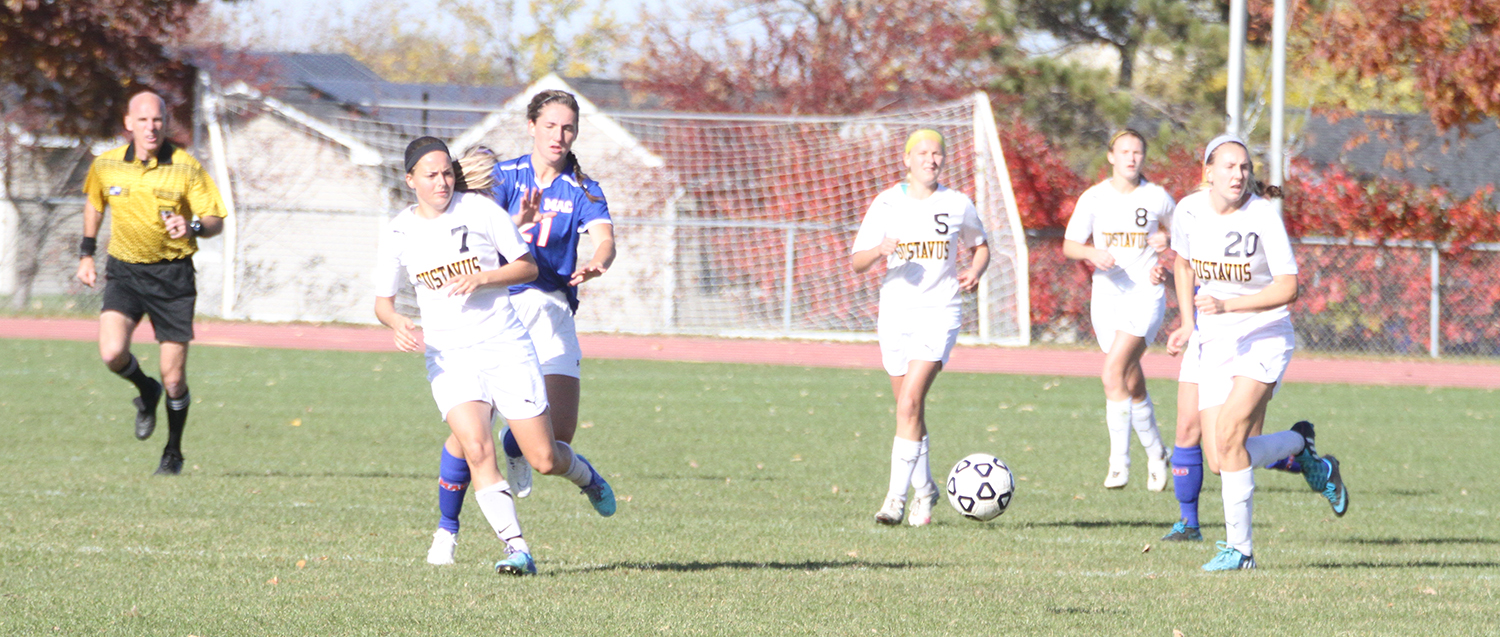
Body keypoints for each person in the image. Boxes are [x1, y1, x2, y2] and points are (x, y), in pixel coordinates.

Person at [375, 137, 614, 575]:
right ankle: (516, 549)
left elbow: (527, 267)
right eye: (431, 175)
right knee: (476, 446)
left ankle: (585, 476)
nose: (442, 181)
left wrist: (483, 278)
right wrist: (398, 324)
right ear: (411, 180)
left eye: (447, 172)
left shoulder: (481, 211)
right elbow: (382, 303)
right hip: (449, 356)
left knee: (544, 458)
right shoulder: (397, 231)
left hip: (504, 345)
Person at [422, 90, 618, 554]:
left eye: (567, 127)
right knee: (470, 428)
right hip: (498, 312)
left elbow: (606, 239)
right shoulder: (505, 178)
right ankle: (446, 530)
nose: (559, 135)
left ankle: (538, 454)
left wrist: (598, 262)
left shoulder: (584, 189)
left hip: (550, 312)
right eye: (550, 125)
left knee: (553, 445)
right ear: (531, 126)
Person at [1164, 135, 1348, 571]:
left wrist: (1228, 304)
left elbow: (1289, 287)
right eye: (1228, 166)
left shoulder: (1262, 215)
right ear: (1207, 171)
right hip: (1214, 337)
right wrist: (1188, 322)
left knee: (1230, 434)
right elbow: (1182, 263)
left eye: (1244, 167)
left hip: (1264, 333)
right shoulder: (1188, 209)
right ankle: (1302, 448)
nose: (1238, 174)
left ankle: (1240, 551)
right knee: (1220, 455)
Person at [73, 91, 227, 475]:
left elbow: (214, 221)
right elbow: (94, 202)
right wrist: (87, 253)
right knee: (111, 354)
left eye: (157, 119)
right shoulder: (107, 165)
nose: (151, 127)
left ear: (166, 122)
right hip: (125, 271)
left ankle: (173, 453)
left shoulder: (185, 166)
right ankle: (145, 389)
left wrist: (189, 225)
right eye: (142, 120)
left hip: (172, 276)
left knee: (174, 378)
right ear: (129, 123)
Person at [850, 129, 989, 527]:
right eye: (923, 153)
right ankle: (926, 491)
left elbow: (981, 245)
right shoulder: (887, 202)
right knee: (907, 411)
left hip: (940, 310)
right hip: (895, 314)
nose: (931, 159)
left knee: (910, 402)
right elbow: (857, 261)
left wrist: (975, 271)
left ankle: (895, 499)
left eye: (937, 153)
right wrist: (879, 250)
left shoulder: (957, 203)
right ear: (907, 160)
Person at [1062, 130, 1174, 491]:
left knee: (1112, 372)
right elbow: (1069, 245)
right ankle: (1157, 453)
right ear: (1111, 156)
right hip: (1107, 296)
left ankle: (1118, 464)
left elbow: (1187, 234)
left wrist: (1168, 242)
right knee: (1130, 380)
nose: (1131, 157)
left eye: (1138, 151)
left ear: (1144, 157)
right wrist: (1092, 253)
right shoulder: (1094, 198)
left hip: (1146, 294)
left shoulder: (1156, 197)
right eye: (1124, 151)